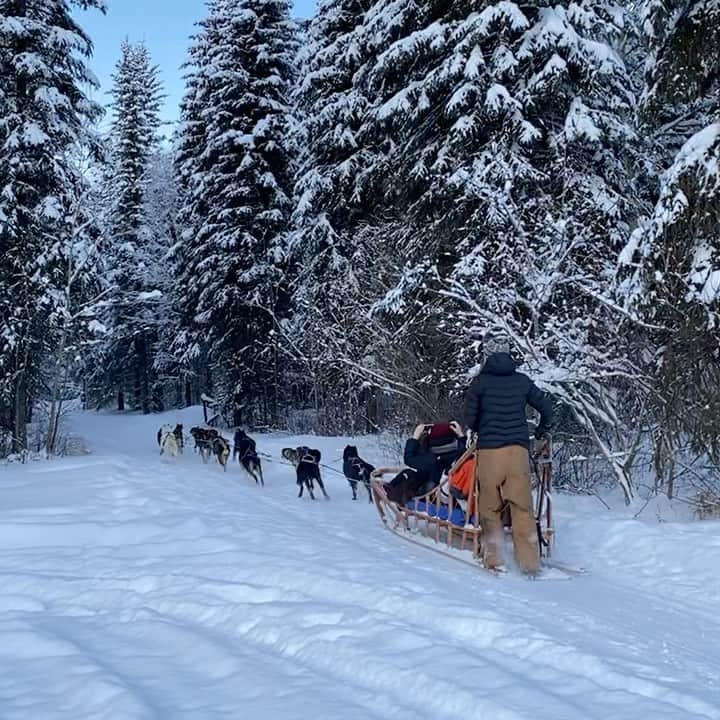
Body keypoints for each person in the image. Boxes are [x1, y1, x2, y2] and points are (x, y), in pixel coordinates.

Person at [464, 336, 553, 575]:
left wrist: (481, 424)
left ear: (487, 357)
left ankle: (494, 559)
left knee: (490, 506)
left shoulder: (479, 383)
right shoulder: (522, 381)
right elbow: (547, 408)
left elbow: (469, 420)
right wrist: (542, 430)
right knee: (522, 507)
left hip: (491, 451)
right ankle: (530, 562)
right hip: (518, 451)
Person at [376, 421, 466, 505]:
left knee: (408, 474)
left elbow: (409, 459)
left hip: (428, 496)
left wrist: (415, 437)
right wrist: (461, 436)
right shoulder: (458, 456)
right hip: (448, 494)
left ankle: (390, 490)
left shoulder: (432, 460)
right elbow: (465, 452)